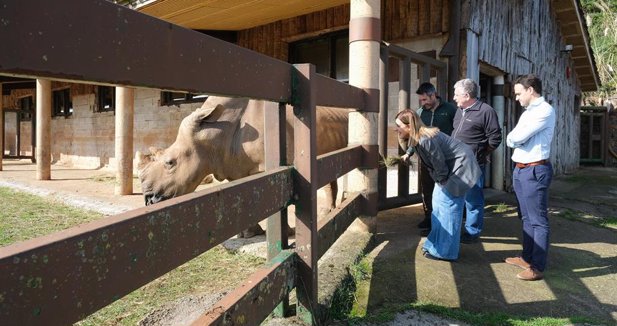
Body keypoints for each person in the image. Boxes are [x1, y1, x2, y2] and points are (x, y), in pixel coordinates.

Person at [395, 109, 481, 261]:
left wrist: (442, 182)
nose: (396, 129)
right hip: (451, 168)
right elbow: (414, 145)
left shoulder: (425, 139)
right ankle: (435, 244)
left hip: (460, 168)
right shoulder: (419, 136)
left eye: (399, 126)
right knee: (438, 207)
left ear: (409, 127)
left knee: (448, 209)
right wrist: (408, 153)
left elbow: (439, 163)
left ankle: (446, 252)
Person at [505, 74, 555, 281]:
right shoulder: (529, 112)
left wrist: (516, 138)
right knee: (525, 217)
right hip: (521, 169)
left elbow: (516, 137)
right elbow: (512, 138)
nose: (517, 98)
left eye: (518, 93)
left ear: (530, 90)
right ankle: (526, 257)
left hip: (535, 170)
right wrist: (516, 138)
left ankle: (537, 267)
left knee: (538, 220)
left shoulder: (544, 110)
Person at [401, 82, 456, 235]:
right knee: (427, 188)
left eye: (425, 99)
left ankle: (442, 220)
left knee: (443, 188)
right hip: (426, 159)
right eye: (421, 100)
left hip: (445, 157)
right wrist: (409, 152)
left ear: (434, 95)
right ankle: (428, 217)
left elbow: (458, 130)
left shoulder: (450, 109)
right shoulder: (420, 112)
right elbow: (415, 134)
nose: (422, 103)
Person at [452, 78, 502, 243]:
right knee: (454, 197)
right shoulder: (459, 110)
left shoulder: (486, 111)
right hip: (455, 162)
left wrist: (480, 153)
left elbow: (495, 138)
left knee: (473, 200)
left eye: (456, 94)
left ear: (466, 95)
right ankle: (453, 228)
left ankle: (472, 232)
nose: (454, 97)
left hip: (473, 164)